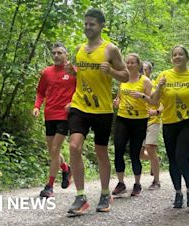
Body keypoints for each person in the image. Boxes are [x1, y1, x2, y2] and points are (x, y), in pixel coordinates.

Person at [67, 8, 129, 215]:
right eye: (85, 23)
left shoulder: (110, 49)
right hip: (79, 105)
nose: (87, 27)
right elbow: (82, 74)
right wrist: (71, 72)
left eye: (92, 24)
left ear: (101, 25)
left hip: (102, 109)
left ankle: (104, 194)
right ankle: (81, 196)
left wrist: (111, 71)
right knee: (74, 147)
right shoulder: (79, 49)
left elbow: (126, 76)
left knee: (101, 151)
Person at [151, 45, 189, 208]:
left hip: (188, 121)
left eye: (180, 54)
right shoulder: (164, 75)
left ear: (187, 58)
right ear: (171, 58)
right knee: (173, 160)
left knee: (181, 156)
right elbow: (154, 100)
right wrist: (160, 86)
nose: (177, 57)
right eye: (174, 55)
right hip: (169, 122)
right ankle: (178, 193)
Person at [33, 42, 76, 198]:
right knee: (52, 151)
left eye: (59, 53)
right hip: (49, 114)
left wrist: (74, 103)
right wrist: (37, 106)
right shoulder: (47, 72)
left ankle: (49, 186)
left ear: (66, 55)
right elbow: (40, 92)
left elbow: (82, 90)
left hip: (65, 115)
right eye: (54, 53)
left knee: (55, 149)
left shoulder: (73, 72)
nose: (56, 56)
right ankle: (65, 169)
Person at [111, 54, 151, 197]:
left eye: (132, 63)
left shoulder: (145, 81)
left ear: (138, 64)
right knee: (118, 149)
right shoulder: (123, 79)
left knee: (134, 153)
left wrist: (141, 96)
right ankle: (121, 183)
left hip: (139, 120)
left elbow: (153, 101)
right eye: (127, 62)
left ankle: (137, 184)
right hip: (122, 118)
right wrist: (116, 102)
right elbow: (119, 97)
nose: (129, 65)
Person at [139, 61, 162, 190]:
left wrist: (157, 111)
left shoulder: (155, 85)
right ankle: (156, 159)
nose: (143, 71)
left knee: (150, 147)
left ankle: (156, 181)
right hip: (140, 120)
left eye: (145, 69)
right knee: (139, 154)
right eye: (141, 69)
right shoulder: (136, 84)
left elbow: (164, 102)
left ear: (150, 71)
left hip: (153, 120)